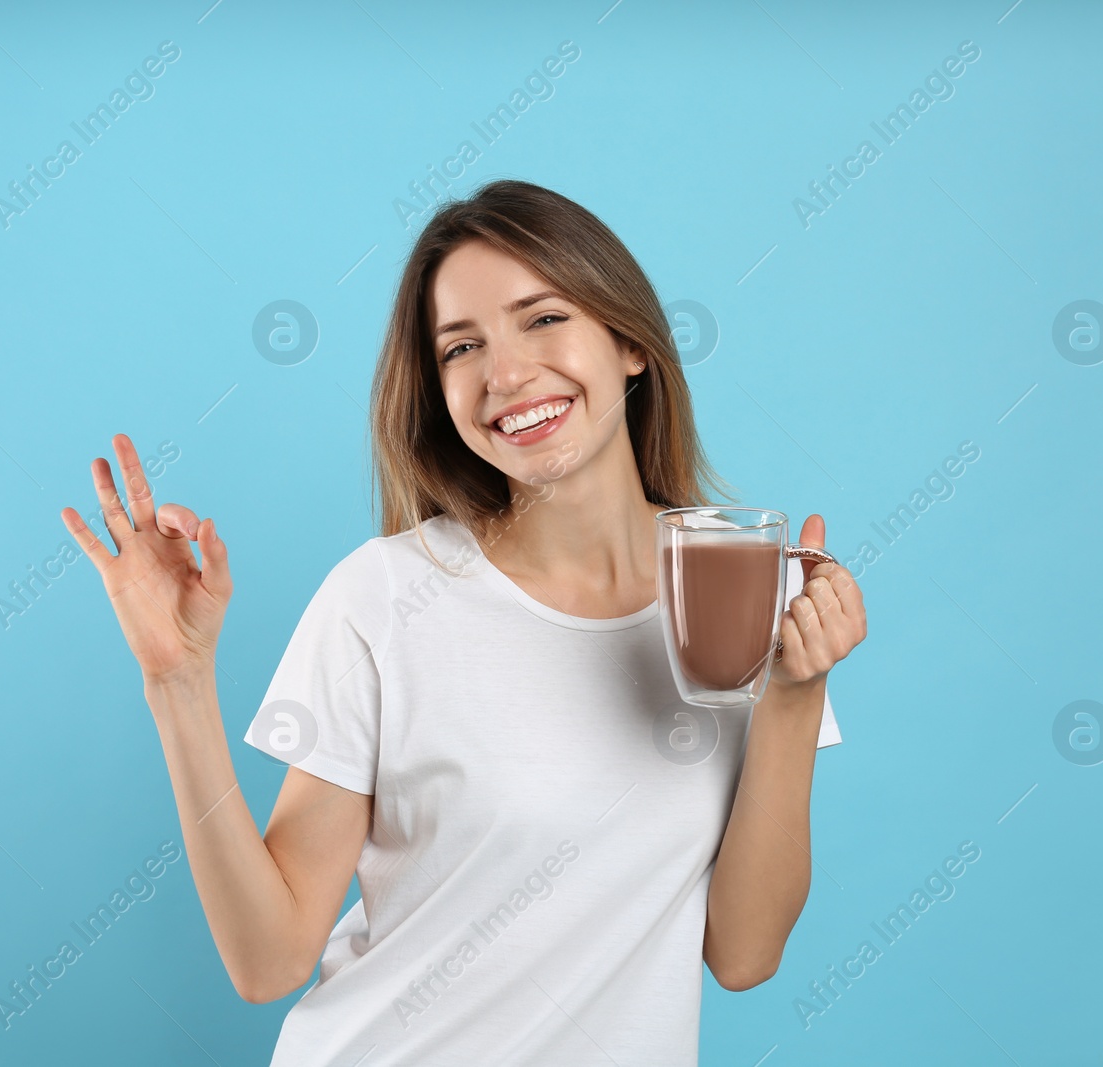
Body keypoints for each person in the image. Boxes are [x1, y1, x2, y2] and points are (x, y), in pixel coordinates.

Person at [61, 179, 867, 1065]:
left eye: (544, 318)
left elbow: (744, 953)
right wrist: (177, 683)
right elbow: (268, 959)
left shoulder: (737, 581)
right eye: (461, 346)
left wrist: (794, 690)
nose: (506, 373)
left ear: (631, 341)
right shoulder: (384, 597)